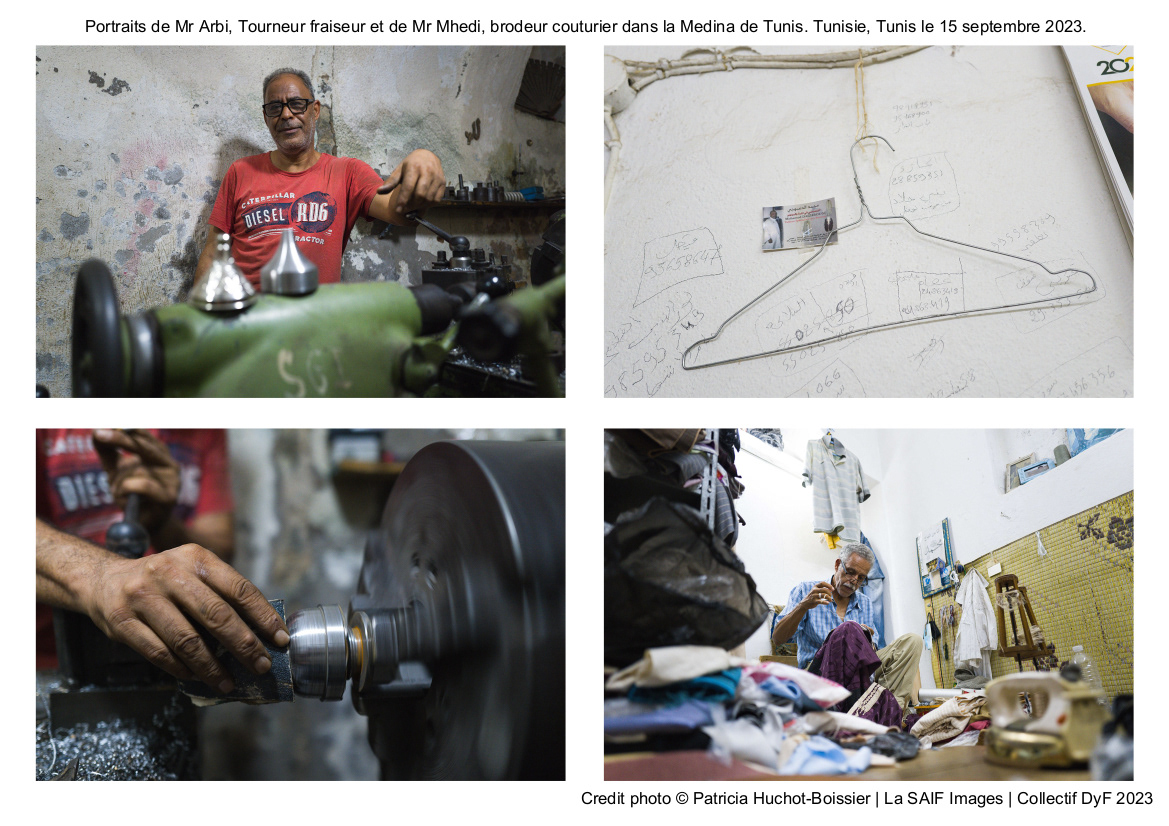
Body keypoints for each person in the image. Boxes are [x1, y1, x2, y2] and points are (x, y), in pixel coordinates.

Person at [36, 429, 288, 694]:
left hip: (175, 663)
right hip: (45, 666)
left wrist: (161, 523)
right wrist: (100, 575)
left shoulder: (203, 428)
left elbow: (218, 554)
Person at [196, 68, 448, 288]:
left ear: (314, 110)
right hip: (245, 324)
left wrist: (424, 158)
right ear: (266, 117)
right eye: (275, 107)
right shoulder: (240, 171)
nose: (286, 115)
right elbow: (213, 251)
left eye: (296, 104)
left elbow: (399, 213)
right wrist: (197, 322)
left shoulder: (347, 173)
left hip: (314, 328)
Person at [771, 543, 922, 722]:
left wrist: (866, 641)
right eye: (850, 572)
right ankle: (865, 711)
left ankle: (892, 713)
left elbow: (871, 653)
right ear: (837, 565)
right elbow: (778, 638)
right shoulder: (807, 591)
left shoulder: (865, 603)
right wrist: (803, 606)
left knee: (913, 641)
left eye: (861, 578)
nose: (854, 581)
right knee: (848, 629)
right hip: (820, 674)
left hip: (859, 673)